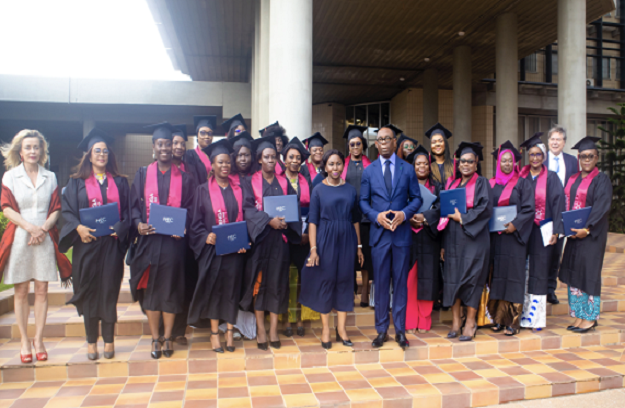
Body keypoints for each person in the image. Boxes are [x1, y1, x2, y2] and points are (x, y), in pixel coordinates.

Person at [0, 129, 71, 363]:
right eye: (28, 147)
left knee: (41, 289)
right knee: (20, 291)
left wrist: (43, 228)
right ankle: (24, 340)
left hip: (44, 237)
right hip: (21, 237)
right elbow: (7, 207)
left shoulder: (50, 176)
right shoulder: (10, 177)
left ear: (42, 151)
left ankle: (39, 339)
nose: (32, 151)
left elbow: (56, 207)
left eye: (36, 147)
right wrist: (30, 228)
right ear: (20, 151)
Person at [59, 129, 130, 360]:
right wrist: (78, 228)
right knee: (89, 292)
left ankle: (109, 340)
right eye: (97, 151)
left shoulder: (120, 183)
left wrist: (119, 228)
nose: (101, 154)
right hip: (86, 246)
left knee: (109, 292)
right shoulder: (75, 183)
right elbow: (68, 212)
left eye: (105, 151)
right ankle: (91, 342)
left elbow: (128, 213)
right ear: (89, 155)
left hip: (110, 247)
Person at [127, 122, 195, 359]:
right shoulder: (143, 174)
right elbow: (133, 206)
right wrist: (138, 224)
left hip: (174, 245)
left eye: (168, 144)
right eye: (160, 144)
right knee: (151, 292)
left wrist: (183, 227)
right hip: (149, 243)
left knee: (170, 290)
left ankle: (168, 337)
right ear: (154, 147)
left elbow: (190, 209)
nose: (165, 148)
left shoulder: (185, 179)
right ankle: (155, 338)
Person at [360, 124, 422, 350]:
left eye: (389, 139)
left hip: (401, 236)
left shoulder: (407, 169)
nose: (385, 142)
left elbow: (416, 199)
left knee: (400, 286)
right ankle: (381, 330)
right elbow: (363, 202)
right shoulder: (369, 171)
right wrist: (376, 216)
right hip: (379, 236)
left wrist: (404, 214)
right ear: (376, 144)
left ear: (395, 142)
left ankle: (401, 332)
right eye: (381, 140)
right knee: (381, 284)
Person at [239, 136, 302, 350]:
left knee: (277, 284)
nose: (270, 161)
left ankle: (274, 329)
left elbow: (293, 208)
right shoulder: (249, 182)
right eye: (266, 157)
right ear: (259, 159)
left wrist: (285, 222)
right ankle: (261, 330)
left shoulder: (284, 182)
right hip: (259, 241)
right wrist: (269, 220)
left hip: (280, 242)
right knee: (259, 285)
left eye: (273, 158)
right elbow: (247, 209)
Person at [187, 139, 248, 353]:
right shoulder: (202, 190)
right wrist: (206, 236)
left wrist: (243, 242)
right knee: (214, 291)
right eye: (220, 162)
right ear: (212, 165)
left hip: (234, 251)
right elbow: (194, 222)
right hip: (212, 252)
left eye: (227, 163)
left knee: (231, 291)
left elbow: (245, 219)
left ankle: (230, 332)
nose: (225, 166)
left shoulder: (238, 189)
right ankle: (214, 334)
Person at [300, 150, 363, 349]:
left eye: (338, 164)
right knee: (326, 280)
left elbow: (355, 220)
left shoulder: (351, 190)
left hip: (347, 238)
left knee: (345, 280)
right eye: (330, 164)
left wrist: (359, 247)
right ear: (325, 167)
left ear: (342, 166)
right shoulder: (318, 189)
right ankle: (326, 329)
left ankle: (342, 329)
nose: (334, 168)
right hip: (325, 237)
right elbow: (312, 222)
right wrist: (313, 249)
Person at [438, 142, 492, 342]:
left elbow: (485, 209)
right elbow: (444, 214)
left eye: (470, 161)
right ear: (458, 164)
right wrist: (443, 244)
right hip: (452, 239)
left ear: (476, 164)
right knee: (452, 280)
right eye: (463, 161)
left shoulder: (481, 183)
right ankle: (455, 322)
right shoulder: (451, 184)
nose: (466, 164)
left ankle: (470, 321)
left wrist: (462, 218)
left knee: (471, 280)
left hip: (474, 240)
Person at [559, 136, 612, 333]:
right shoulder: (573, 179)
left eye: (590, 156)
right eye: (583, 156)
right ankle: (579, 315)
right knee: (575, 272)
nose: (587, 160)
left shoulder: (601, 180)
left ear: (597, 158)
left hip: (591, 235)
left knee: (588, 272)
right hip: (573, 235)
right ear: (579, 158)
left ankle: (590, 317)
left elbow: (602, 207)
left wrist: (587, 228)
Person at [486, 141, 535, 336]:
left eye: (510, 161)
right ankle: (498, 319)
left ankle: (513, 322)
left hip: (514, 238)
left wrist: (515, 225)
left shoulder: (522, 183)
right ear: (498, 163)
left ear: (514, 163)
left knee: (513, 278)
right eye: (503, 161)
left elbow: (529, 209)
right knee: (498, 277)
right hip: (497, 238)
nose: (506, 164)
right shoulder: (492, 184)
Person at [518, 133, 565, 330]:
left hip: (542, 230)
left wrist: (557, 230)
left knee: (539, 271)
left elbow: (558, 205)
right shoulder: (522, 176)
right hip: (523, 231)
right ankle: (520, 313)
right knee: (523, 270)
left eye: (539, 155)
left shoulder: (552, 178)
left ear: (544, 157)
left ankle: (536, 318)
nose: (535, 158)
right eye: (532, 155)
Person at [164, 124, 198, 345]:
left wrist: (184, 226)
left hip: (185, 237)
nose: (178, 146)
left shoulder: (191, 169)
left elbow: (196, 202)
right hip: (161, 238)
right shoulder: (155, 171)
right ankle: (162, 330)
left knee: (184, 283)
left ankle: (179, 330)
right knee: (165, 283)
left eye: (181, 143)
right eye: (174, 143)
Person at [405, 146, 442, 334]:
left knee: (428, 278)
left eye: (425, 164)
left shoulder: (437, 187)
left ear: (430, 167)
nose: (421, 167)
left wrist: (425, 217)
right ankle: (410, 320)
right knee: (410, 278)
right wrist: (410, 217)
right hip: (410, 236)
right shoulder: (406, 185)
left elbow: (441, 210)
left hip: (429, 237)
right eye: (418, 164)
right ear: (413, 166)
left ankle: (424, 321)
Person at [280, 137, 314, 337]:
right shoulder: (277, 181)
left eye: (298, 157)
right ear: (284, 160)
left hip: (302, 238)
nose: (295, 160)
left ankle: (299, 318)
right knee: (284, 280)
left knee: (302, 280)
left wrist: (306, 233)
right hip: (284, 238)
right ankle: (285, 320)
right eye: (291, 157)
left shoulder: (306, 180)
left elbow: (311, 210)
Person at [545, 126, 579, 305]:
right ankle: (540, 288)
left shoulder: (572, 162)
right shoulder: (541, 161)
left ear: (564, 142)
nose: (555, 142)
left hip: (563, 213)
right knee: (542, 251)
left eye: (559, 139)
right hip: (544, 214)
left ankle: (550, 289)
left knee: (557, 251)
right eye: (552, 139)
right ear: (548, 142)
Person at [341, 125, 374, 308]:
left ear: (363, 146)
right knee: (349, 255)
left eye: (358, 144)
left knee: (366, 256)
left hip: (366, 217)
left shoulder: (370, 165)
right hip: (347, 217)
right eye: (352, 144)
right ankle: (351, 292)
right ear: (348, 146)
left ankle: (365, 295)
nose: (355, 147)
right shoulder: (342, 165)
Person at [184, 115, 216, 183]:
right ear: (197, 135)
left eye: (209, 133)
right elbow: (191, 179)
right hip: (199, 192)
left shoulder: (215, 155)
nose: (207, 136)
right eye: (202, 133)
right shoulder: (190, 155)